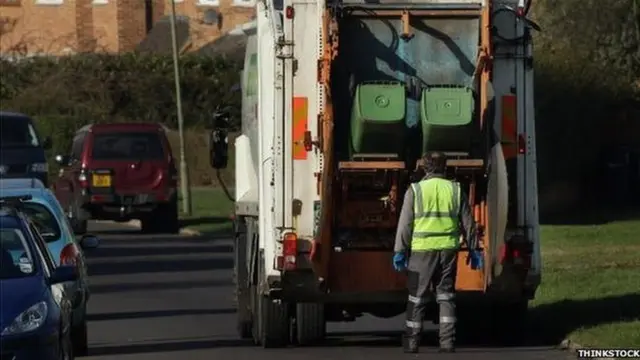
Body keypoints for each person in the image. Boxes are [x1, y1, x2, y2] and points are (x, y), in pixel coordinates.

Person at [393, 151, 479, 353]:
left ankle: (412, 344)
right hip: (448, 250)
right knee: (446, 296)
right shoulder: (456, 189)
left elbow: (405, 225)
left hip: (422, 251)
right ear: (445, 167)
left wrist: (400, 251)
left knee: (417, 297)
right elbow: (468, 223)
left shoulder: (415, 191)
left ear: (424, 167)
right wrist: (474, 249)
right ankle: (447, 343)